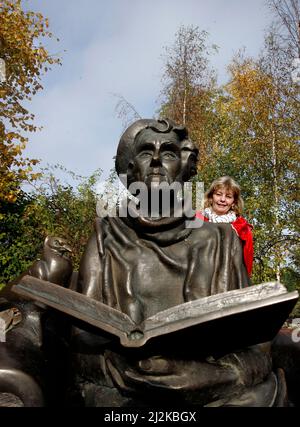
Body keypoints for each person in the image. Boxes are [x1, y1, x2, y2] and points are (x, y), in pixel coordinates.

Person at [0, 119, 286, 407]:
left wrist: (214, 376)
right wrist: (135, 376)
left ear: (185, 168)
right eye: (147, 153)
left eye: (170, 153)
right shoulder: (106, 236)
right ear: (132, 170)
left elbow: (257, 346)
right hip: (123, 389)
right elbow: (81, 348)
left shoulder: (222, 241)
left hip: (213, 387)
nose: (158, 161)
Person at [196, 176, 254, 277]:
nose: (222, 199)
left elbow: (247, 263)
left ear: (233, 203)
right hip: (198, 277)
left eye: (228, 196)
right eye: (218, 194)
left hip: (228, 279)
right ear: (211, 197)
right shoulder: (195, 220)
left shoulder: (242, 228)